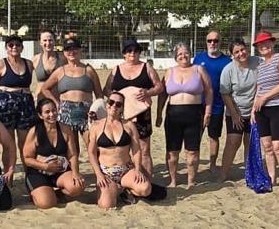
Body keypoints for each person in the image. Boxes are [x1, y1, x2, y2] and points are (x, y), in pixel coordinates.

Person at [157, 42, 213, 188]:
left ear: (190, 54)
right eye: (180, 54)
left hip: (194, 114)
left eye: (186, 53)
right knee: (172, 151)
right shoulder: (169, 72)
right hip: (173, 114)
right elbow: (162, 95)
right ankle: (173, 180)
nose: (183, 56)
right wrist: (158, 114)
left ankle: (191, 180)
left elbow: (209, 91)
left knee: (192, 151)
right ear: (175, 57)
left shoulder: (199, 69)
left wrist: (208, 112)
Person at [88, 91, 157, 209]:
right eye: (111, 102)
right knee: (106, 205)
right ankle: (118, 190)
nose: (114, 106)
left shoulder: (129, 126)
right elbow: (91, 152)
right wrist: (99, 174)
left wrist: (138, 170)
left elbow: (136, 151)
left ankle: (124, 188)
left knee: (145, 189)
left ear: (122, 108)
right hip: (106, 172)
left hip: (126, 170)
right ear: (106, 105)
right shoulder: (96, 126)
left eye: (118, 104)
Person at [106, 38, 162, 170]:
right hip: (121, 114)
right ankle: (128, 179)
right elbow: (106, 89)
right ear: (124, 53)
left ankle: (147, 181)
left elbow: (159, 87)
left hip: (142, 113)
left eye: (136, 50)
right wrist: (115, 98)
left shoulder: (146, 67)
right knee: (123, 148)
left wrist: (148, 92)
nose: (133, 53)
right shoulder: (116, 69)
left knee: (144, 149)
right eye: (129, 50)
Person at [38, 36, 103, 147]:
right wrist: (56, 102)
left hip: (86, 112)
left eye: (74, 48)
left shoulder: (89, 70)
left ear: (80, 50)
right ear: (64, 52)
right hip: (66, 111)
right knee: (72, 148)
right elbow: (45, 88)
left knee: (93, 144)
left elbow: (99, 95)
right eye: (68, 49)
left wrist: (97, 111)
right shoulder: (60, 71)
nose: (71, 52)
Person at [23, 97, 87, 208]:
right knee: (46, 204)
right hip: (39, 172)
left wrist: (76, 173)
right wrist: (45, 166)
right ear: (40, 115)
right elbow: (27, 158)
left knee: (77, 186)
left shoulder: (65, 129)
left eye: (54, 110)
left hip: (59, 171)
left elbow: (72, 154)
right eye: (47, 112)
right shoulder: (34, 131)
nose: (52, 114)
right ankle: (40, 194)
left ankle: (54, 194)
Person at [251, 30, 279, 194]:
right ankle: (271, 177)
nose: (264, 46)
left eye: (267, 42)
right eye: (260, 44)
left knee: (278, 146)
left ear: (273, 43)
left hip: (278, 106)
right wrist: (255, 108)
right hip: (261, 109)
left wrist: (265, 98)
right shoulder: (261, 65)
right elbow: (258, 89)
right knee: (267, 146)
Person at [218, 38, 262, 181]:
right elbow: (225, 94)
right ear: (232, 54)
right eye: (236, 52)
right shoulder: (228, 70)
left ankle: (249, 173)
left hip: (254, 111)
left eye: (242, 50)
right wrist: (235, 115)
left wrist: (255, 109)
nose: (241, 53)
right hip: (235, 111)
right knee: (233, 142)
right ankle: (223, 174)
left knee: (250, 142)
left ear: (247, 49)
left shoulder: (258, 63)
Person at [0, 35, 37, 163]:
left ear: (22, 47)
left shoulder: (29, 64)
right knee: (8, 144)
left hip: (25, 104)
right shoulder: (0, 64)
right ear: (6, 48)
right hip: (6, 105)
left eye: (17, 45)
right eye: (11, 45)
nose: (14, 47)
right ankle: (8, 177)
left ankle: (30, 175)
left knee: (26, 143)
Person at [192, 30, 232, 173]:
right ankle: (194, 165)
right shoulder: (198, 58)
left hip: (217, 105)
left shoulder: (227, 62)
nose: (213, 43)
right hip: (197, 104)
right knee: (195, 136)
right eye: (210, 40)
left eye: (216, 40)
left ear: (220, 42)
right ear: (206, 42)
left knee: (213, 136)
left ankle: (212, 164)